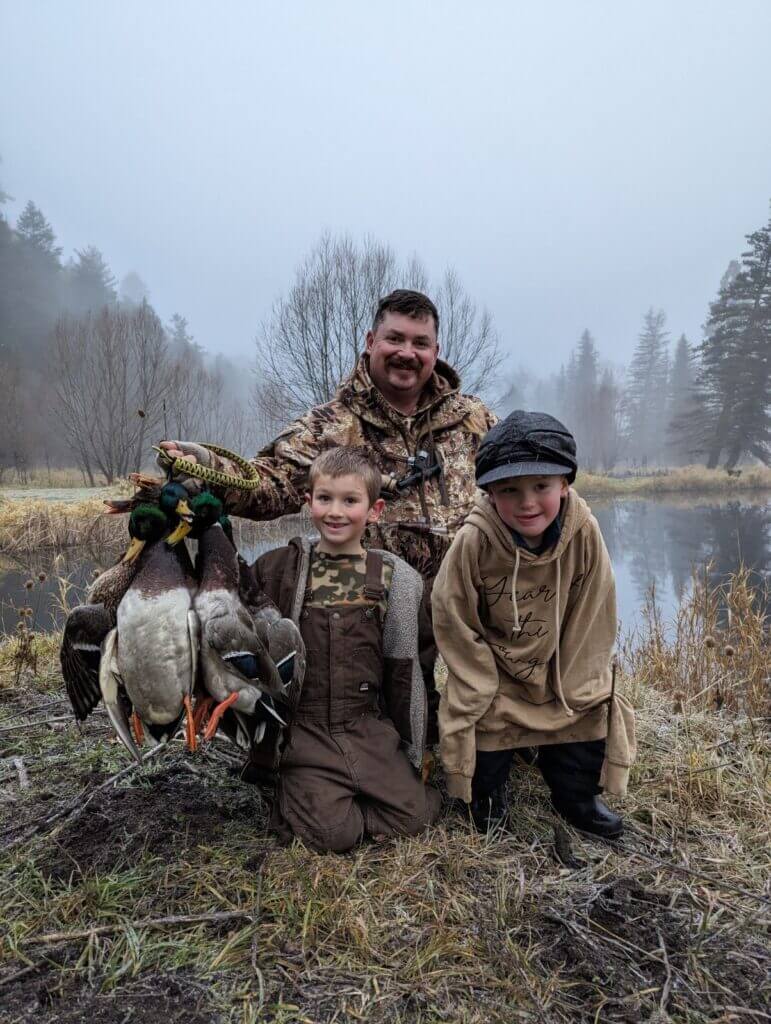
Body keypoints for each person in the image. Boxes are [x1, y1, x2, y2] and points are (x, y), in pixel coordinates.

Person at [159, 289, 494, 583]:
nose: (407, 352)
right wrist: (206, 465)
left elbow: (522, 475)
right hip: (368, 614)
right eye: (395, 338)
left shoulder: (472, 420)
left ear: (436, 351)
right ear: (370, 341)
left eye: (420, 343)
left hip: (465, 613)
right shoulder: (328, 426)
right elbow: (269, 482)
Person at [431, 411, 636, 837]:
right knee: (481, 734)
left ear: (564, 484)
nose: (527, 502)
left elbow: (595, 613)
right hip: (497, 674)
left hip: (561, 669)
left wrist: (575, 683)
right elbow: (453, 615)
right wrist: (480, 681)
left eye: (541, 486)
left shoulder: (584, 533)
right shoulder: (474, 541)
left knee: (586, 716)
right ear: (489, 492)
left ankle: (575, 797)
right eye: (510, 490)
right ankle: (487, 799)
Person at [250, 447, 441, 852]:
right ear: (309, 503)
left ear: (374, 510)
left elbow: (410, 669)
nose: (335, 511)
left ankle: (346, 796)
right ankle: (300, 788)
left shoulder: (394, 579)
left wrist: (417, 745)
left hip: (367, 726)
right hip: (307, 730)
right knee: (331, 836)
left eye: (350, 500)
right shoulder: (278, 569)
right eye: (325, 498)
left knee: (416, 816)